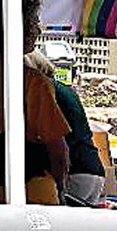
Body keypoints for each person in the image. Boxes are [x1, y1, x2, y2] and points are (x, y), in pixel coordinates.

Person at [0, 0, 70, 204]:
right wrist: (61, 186)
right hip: (29, 183)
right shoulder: (32, 81)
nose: (38, 30)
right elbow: (57, 149)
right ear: (16, 27)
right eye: (33, 23)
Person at [27, 52, 107, 205]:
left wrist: (59, 184)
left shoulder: (45, 90)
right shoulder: (64, 89)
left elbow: (57, 142)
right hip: (93, 168)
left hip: (73, 171)